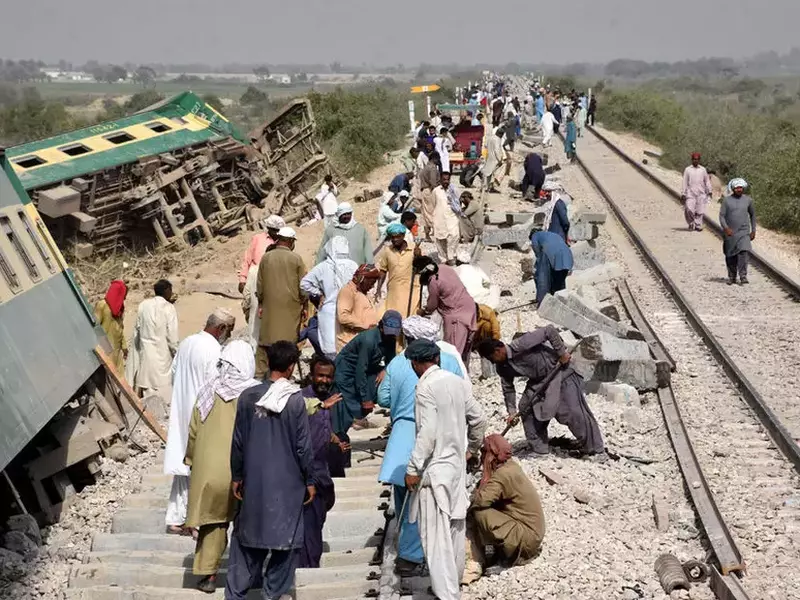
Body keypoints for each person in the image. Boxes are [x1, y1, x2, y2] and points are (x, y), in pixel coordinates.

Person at [377, 318, 467, 577]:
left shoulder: (398, 362)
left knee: (406, 502)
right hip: (439, 437)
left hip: (402, 437)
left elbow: (382, 397)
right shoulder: (446, 361)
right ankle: (432, 555)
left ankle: (408, 556)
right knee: (435, 504)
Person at [225, 342, 313, 600]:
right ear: (290, 367)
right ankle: (272, 594)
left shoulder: (248, 397)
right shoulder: (295, 401)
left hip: (254, 485)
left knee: (246, 544)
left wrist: (237, 476)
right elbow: (303, 448)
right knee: (286, 546)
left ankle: (235, 595)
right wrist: (310, 479)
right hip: (288, 488)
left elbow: (238, 442)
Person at [404, 339, 486, 600]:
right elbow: (479, 419)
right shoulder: (458, 383)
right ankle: (452, 589)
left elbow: (427, 433)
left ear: (416, 363)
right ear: (436, 359)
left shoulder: (425, 388)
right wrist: (472, 448)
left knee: (435, 541)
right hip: (455, 471)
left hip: (434, 473)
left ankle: (448, 596)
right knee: (454, 533)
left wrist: (413, 467)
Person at [184, 340, 258, 593]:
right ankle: (248, 574)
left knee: (213, 524)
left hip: (210, 473)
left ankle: (208, 575)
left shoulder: (208, 391)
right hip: (245, 470)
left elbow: (193, 431)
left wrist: (192, 461)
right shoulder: (255, 393)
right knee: (248, 521)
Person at [477, 327, 605, 457]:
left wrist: (561, 353)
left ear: (497, 351)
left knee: (571, 411)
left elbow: (549, 331)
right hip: (539, 381)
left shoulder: (521, 343)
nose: (492, 362)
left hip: (560, 371)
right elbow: (508, 389)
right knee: (526, 408)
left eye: (491, 357)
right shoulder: (502, 367)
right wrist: (512, 413)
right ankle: (539, 448)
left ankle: (596, 450)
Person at [165, 308, 235, 535]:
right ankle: (194, 520)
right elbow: (216, 385)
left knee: (183, 465)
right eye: (229, 331)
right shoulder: (214, 350)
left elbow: (174, 374)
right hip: (202, 414)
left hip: (182, 409)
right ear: (221, 328)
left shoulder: (187, 342)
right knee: (200, 465)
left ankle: (176, 517)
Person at [464, 434, 545, 582]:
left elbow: (482, 500)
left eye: (484, 452)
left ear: (493, 454)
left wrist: (468, 497)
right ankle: (496, 551)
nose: (483, 457)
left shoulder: (503, 474)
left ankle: (507, 559)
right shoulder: (510, 466)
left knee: (480, 512)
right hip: (532, 533)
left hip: (527, 537)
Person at [331, 311, 402, 475]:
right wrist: (366, 399)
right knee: (344, 412)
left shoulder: (389, 339)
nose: (391, 336)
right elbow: (360, 371)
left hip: (366, 372)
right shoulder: (369, 340)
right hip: (346, 375)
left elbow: (391, 362)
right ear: (381, 327)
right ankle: (338, 448)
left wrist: (385, 370)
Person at [299, 356, 342, 568]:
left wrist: (333, 439)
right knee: (311, 525)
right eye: (320, 376)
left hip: (323, 472)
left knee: (318, 518)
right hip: (307, 473)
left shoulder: (332, 400)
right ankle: (308, 569)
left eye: (328, 377)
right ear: (312, 376)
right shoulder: (301, 401)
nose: (324, 381)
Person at [300, 237, 359, 358]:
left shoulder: (323, 267)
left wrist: (319, 293)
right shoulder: (353, 265)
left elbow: (304, 283)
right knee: (349, 346)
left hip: (329, 311)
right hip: (349, 309)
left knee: (330, 349)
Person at [415, 256, 477, 364]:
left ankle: (453, 376)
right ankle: (465, 375)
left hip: (456, 317)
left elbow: (432, 305)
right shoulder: (444, 268)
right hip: (470, 309)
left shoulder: (434, 281)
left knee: (453, 352)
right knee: (465, 351)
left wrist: (423, 312)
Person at [128, 279, 178, 401]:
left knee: (147, 384)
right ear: (167, 291)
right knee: (163, 390)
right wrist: (177, 352)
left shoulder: (143, 306)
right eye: (170, 290)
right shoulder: (169, 308)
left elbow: (137, 329)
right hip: (163, 356)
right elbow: (172, 337)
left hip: (146, 355)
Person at [376, 223, 421, 319]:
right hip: (394, 291)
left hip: (411, 291)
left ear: (403, 236)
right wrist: (378, 288)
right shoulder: (387, 251)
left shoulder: (414, 249)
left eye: (398, 237)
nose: (395, 240)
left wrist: (418, 257)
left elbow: (421, 268)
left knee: (410, 318)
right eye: (393, 237)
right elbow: (383, 270)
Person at [719, 178, 757, 285]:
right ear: (733, 189)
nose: (739, 190)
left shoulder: (748, 200)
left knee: (744, 252)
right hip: (730, 233)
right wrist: (726, 228)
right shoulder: (726, 201)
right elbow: (721, 216)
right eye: (737, 188)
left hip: (744, 232)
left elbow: (753, 215)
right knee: (730, 255)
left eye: (741, 188)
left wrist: (753, 230)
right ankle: (732, 277)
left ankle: (743, 276)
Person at [335, 264, 380, 351]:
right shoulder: (348, 291)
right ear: (363, 279)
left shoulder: (362, 292)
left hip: (362, 342)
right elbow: (343, 317)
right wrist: (365, 326)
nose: (372, 286)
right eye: (372, 283)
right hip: (349, 343)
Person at [238, 215, 285, 293]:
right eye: (274, 230)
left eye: (278, 231)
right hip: (255, 277)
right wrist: (242, 279)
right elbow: (247, 259)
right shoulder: (257, 239)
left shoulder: (283, 242)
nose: (277, 233)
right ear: (269, 228)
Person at [531, 231, 573, 306]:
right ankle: (561, 302)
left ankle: (543, 303)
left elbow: (537, 251)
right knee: (560, 280)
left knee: (543, 279)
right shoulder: (551, 234)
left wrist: (537, 265)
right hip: (567, 254)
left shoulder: (534, 235)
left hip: (550, 252)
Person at [95, 279, 128, 372]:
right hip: (105, 347)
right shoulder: (102, 305)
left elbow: (120, 328)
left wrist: (124, 346)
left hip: (117, 350)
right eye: (123, 295)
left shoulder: (119, 308)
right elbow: (95, 327)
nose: (124, 298)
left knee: (119, 375)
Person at [432, 172, 462, 265]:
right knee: (440, 240)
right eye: (444, 179)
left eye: (447, 179)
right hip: (439, 219)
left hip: (452, 218)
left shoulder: (454, 190)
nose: (446, 181)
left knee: (454, 236)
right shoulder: (436, 191)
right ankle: (443, 259)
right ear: (440, 180)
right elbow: (433, 204)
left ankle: (451, 257)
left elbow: (459, 203)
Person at [681, 153, 713, 232]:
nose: (696, 161)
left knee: (700, 210)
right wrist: (683, 193)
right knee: (689, 209)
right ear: (692, 160)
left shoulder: (703, 169)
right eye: (694, 159)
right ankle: (691, 222)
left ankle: (698, 225)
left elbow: (707, 181)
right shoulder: (687, 169)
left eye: (697, 159)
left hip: (701, 193)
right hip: (690, 193)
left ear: (699, 160)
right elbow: (684, 182)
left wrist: (709, 190)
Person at [417, 152, 441, 239]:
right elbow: (433, 183)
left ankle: (427, 235)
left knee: (425, 213)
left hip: (425, 191)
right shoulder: (432, 168)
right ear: (435, 159)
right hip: (430, 191)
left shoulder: (426, 167)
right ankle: (436, 232)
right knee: (432, 212)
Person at [481, 127, 505, 193]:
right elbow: (497, 150)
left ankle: (486, 187)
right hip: (495, 159)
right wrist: (500, 160)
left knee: (488, 173)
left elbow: (485, 146)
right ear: (501, 134)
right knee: (494, 174)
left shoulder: (490, 138)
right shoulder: (497, 140)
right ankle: (490, 187)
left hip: (489, 158)